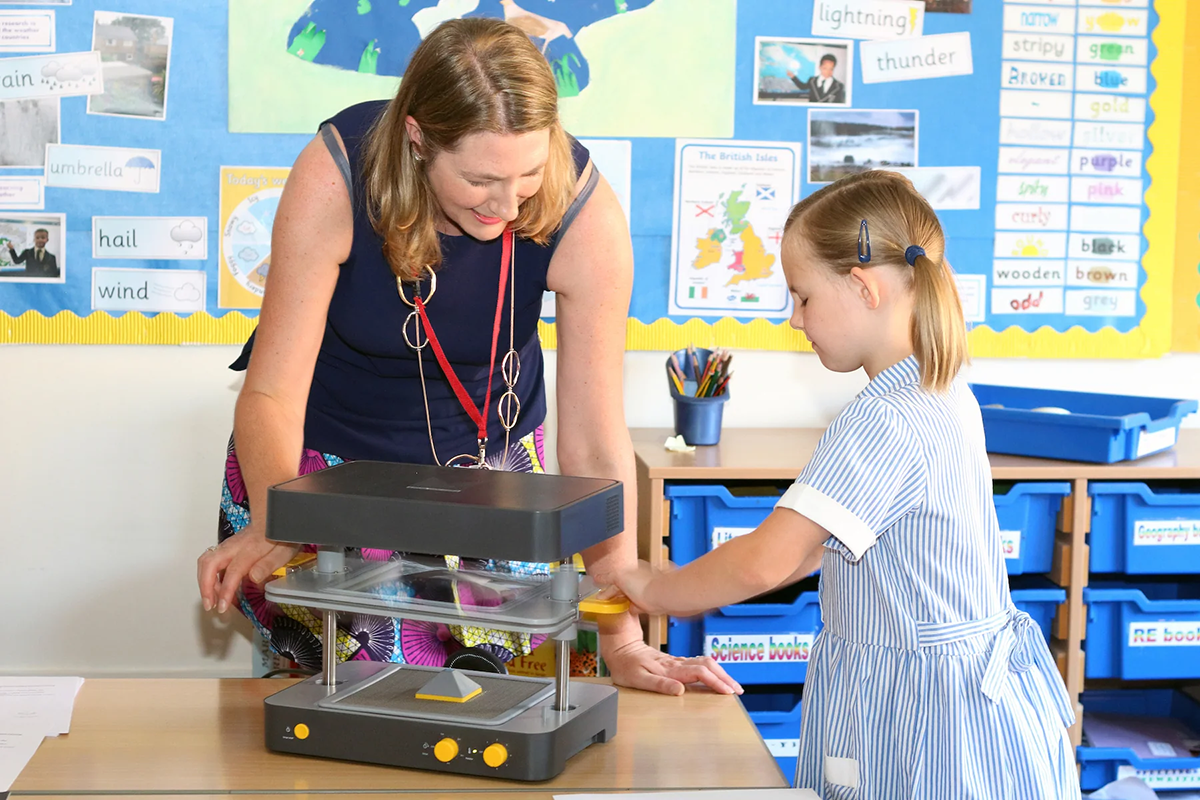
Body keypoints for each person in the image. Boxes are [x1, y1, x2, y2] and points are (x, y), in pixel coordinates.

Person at [196, 17, 739, 697]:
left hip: (492, 481)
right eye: (481, 179)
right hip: (321, 478)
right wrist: (289, 517)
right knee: (333, 704)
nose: (508, 205)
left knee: (479, 705)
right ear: (418, 138)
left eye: (530, 175)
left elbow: (597, 443)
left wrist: (620, 640)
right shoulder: (341, 172)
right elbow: (271, 393)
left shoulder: (582, 207)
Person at [603, 171, 1079, 798]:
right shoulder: (939, 390)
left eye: (802, 297)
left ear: (862, 286)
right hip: (958, 705)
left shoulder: (883, 418)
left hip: (929, 728)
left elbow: (764, 562)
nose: (796, 320)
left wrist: (655, 587)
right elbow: (809, 548)